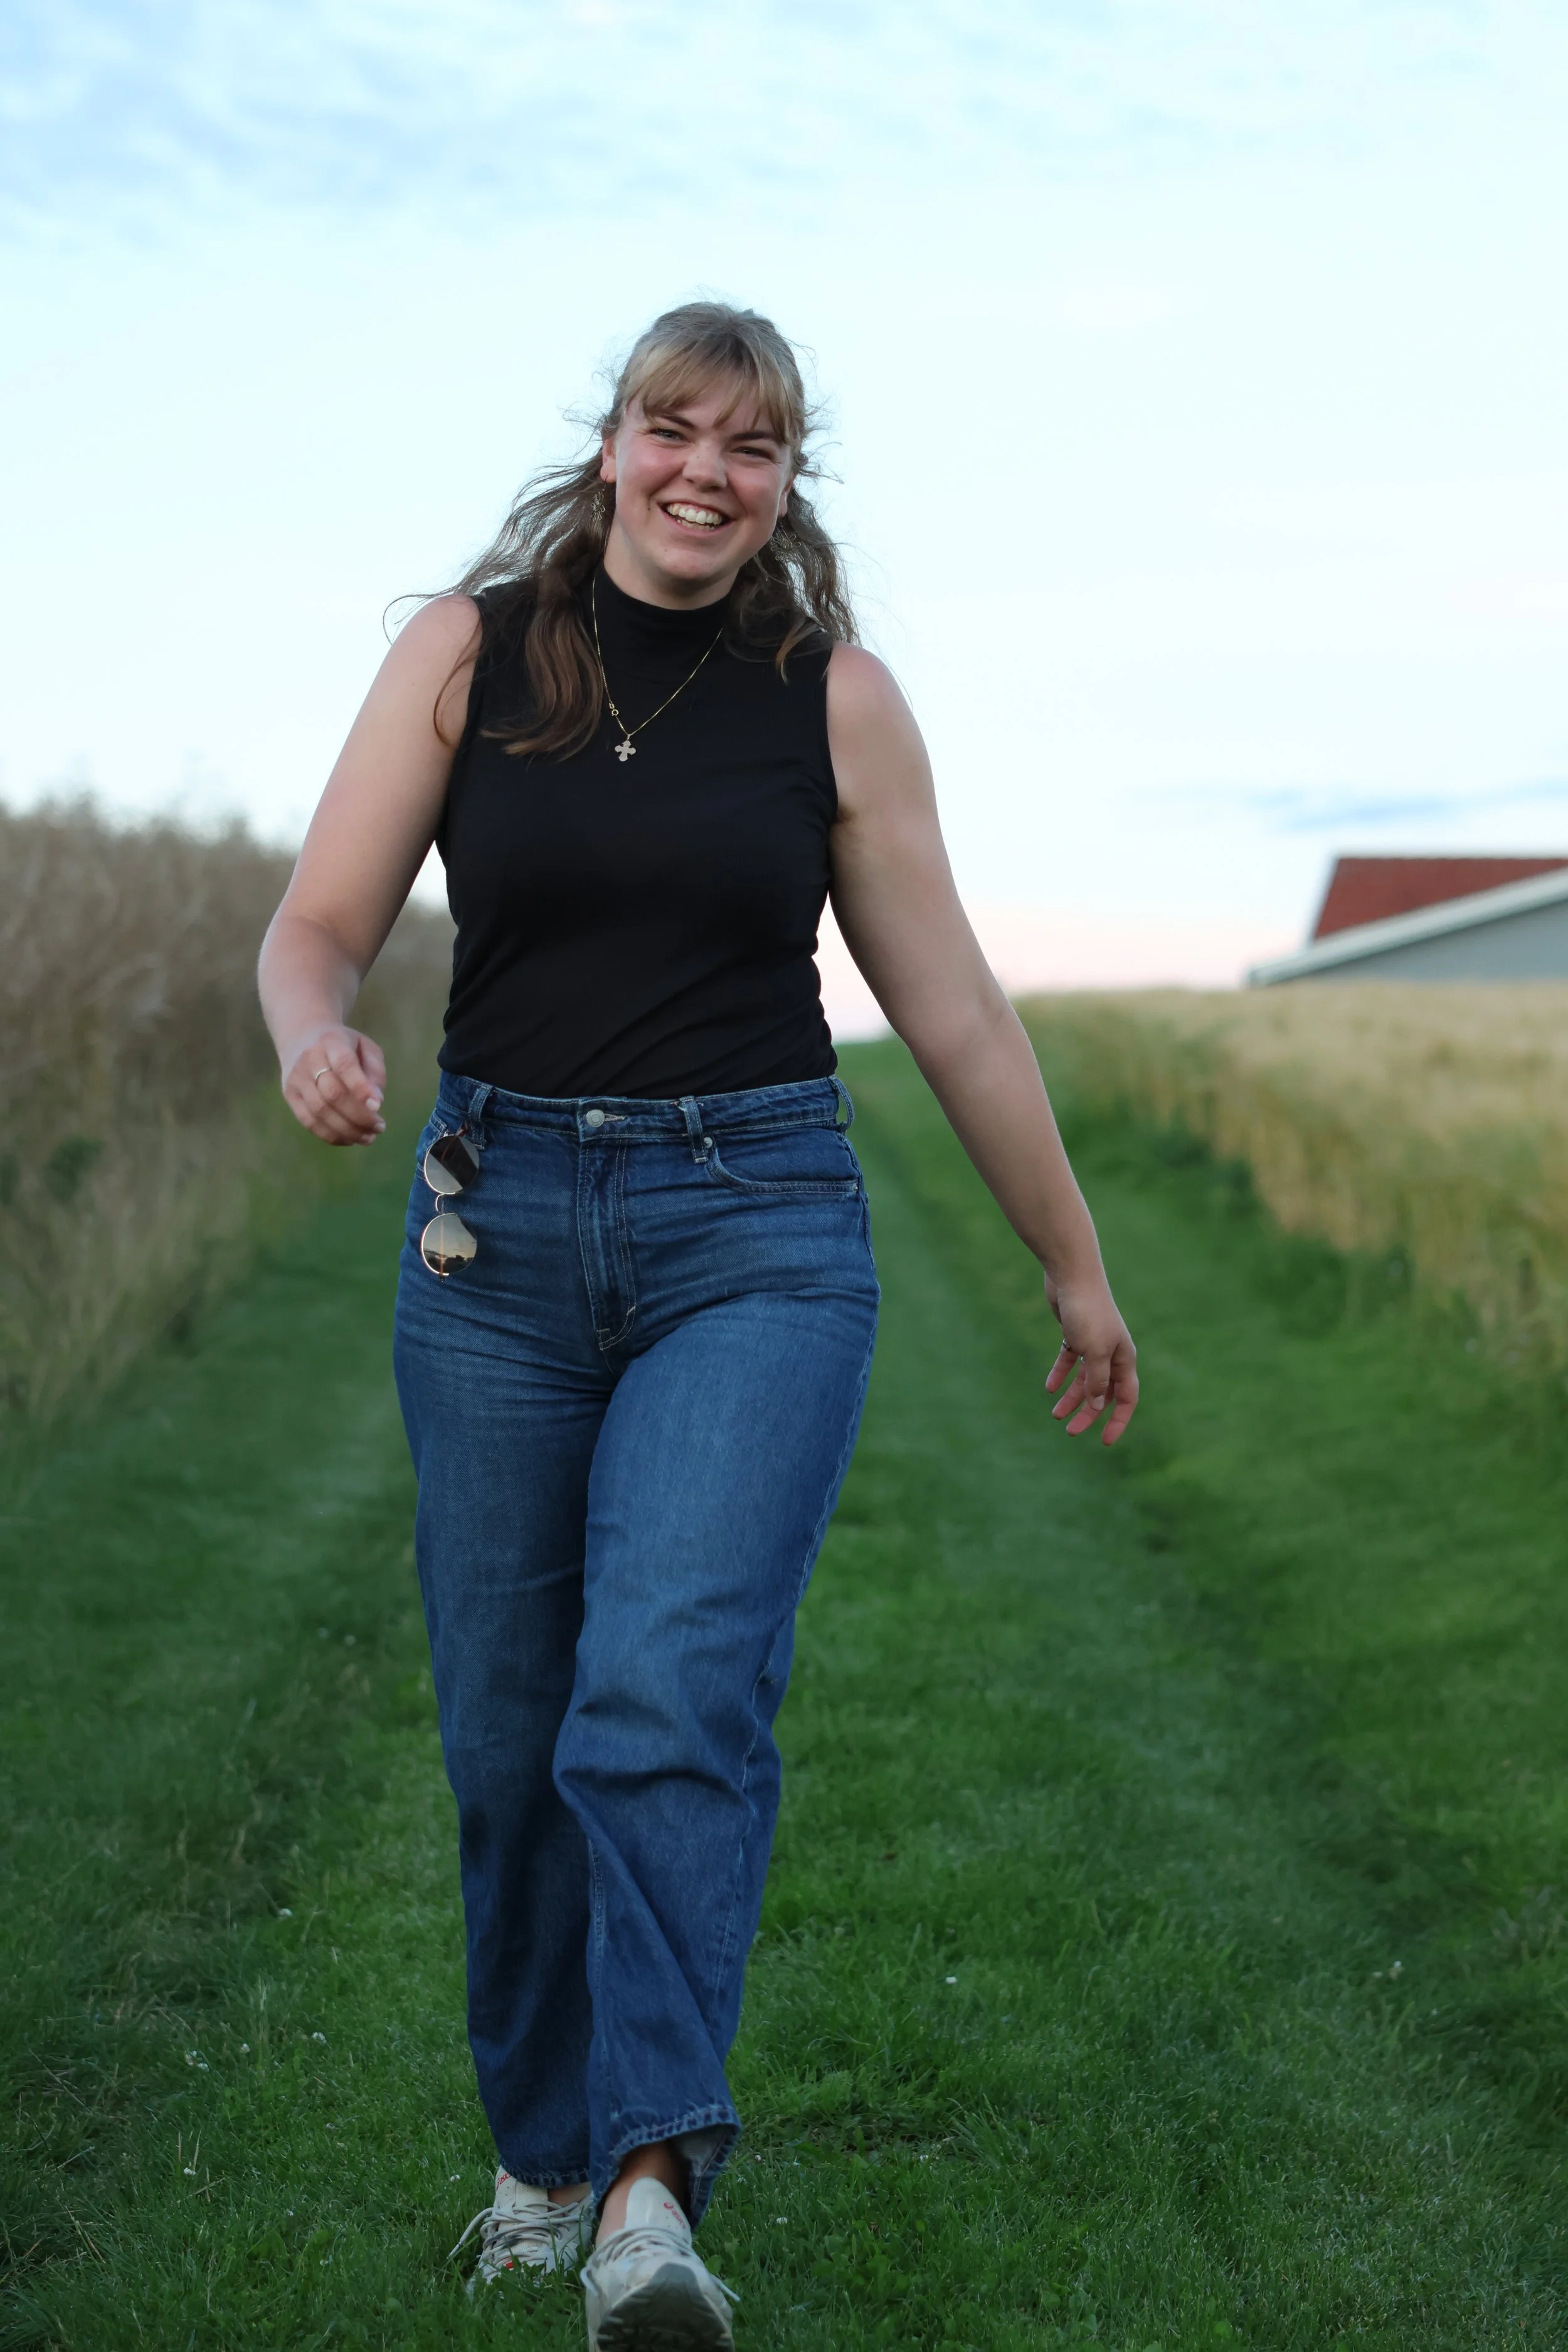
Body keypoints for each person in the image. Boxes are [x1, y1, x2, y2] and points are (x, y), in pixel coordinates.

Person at [257, 300, 1137, 2351]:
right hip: (496, 1242)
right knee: (504, 1731)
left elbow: (956, 1006)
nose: (704, 474)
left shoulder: (835, 702)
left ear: (783, 485)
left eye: (751, 448)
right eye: (673, 429)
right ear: (610, 445)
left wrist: (1074, 1263)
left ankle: (649, 2195)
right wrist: (314, 1034)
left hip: (757, 1228)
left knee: (661, 1693)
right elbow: (320, 923)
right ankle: (538, 2161)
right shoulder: (468, 653)